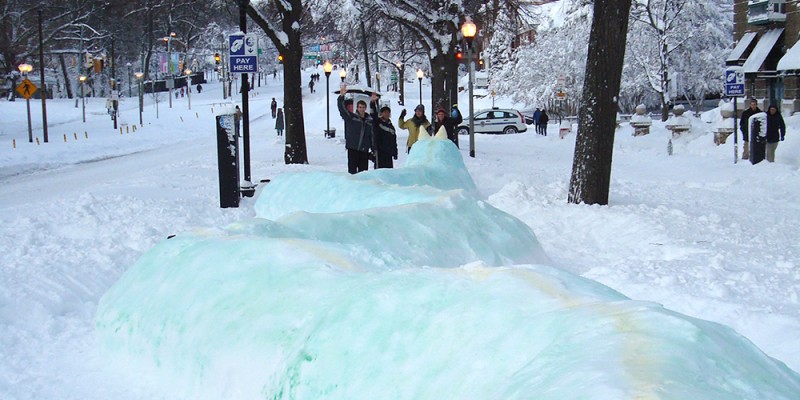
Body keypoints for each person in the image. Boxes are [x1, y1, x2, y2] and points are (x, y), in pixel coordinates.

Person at [338, 84, 374, 174]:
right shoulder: (352, 118)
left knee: (363, 173)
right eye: (360, 107)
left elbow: (372, 136)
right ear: (357, 108)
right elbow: (342, 110)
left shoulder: (369, 121)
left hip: (364, 150)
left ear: (366, 108)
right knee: (352, 173)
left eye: (363, 107)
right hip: (353, 148)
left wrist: (372, 148)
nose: (361, 109)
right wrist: (341, 97)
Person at [370, 93, 399, 169]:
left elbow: (393, 140)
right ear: (381, 113)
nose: (386, 114)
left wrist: (395, 151)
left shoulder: (391, 127)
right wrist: (373, 102)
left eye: (388, 112)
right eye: (384, 112)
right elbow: (373, 114)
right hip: (379, 151)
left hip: (388, 153)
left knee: (388, 171)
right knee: (379, 171)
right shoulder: (378, 122)